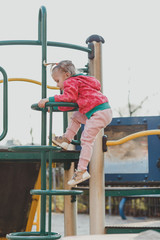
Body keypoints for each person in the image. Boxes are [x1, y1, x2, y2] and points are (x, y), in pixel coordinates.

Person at [38, 60, 112, 186]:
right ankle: (66, 140)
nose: (57, 85)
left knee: (86, 140)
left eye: (57, 81)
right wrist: (54, 107)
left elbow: (68, 98)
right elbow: (70, 104)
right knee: (76, 116)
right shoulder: (80, 81)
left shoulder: (70, 82)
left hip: (98, 113)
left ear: (66, 75)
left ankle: (82, 171)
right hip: (101, 111)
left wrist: (49, 100)